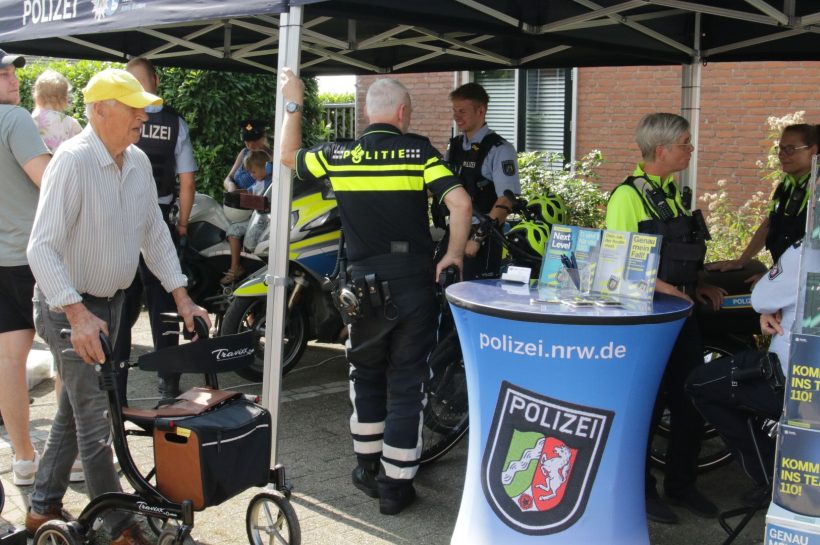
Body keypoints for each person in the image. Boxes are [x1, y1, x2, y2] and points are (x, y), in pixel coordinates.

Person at [25, 68, 210, 543]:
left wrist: (182, 296)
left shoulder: (138, 162)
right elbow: (40, 248)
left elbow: (154, 233)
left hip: (110, 307)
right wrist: (77, 315)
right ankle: (120, 527)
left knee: (75, 408)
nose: (143, 118)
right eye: (133, 109)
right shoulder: (72, 161)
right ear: (99, 111)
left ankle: (42, 506)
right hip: (68, 310)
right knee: (96, 419)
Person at [280, 68, 472, 515]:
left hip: (361, 287)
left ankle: (366, 468)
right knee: (407, 383)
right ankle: (395, 487)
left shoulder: (338, 154)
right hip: (413, 285)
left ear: (368, 113)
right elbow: (460, 203)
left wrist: (294, 102)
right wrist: (453, 255)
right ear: (402, 112)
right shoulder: (418, 153)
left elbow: (288, 156)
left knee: (365, 374)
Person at [606, 112, 726, 524]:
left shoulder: (671, 192)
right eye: (685, 142)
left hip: (682, 312)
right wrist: (664, 288)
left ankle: (682, 485)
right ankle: (640, 492)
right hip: (649, 319)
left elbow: (683, 250)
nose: (691, 149)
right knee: (648, 406)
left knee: (691, 399)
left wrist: (698, 283)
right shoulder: (627, 197)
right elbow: (617, 261)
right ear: (661, 150)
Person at [687, 238, 811, 504]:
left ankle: (770, 478)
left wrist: (770, 306)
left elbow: (761, 298)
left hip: (793, 381)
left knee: (700, 385)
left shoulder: (808, 250)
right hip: (804, 384)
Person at [116, 57, 199, 401]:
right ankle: (169, 384)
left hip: (120, 220)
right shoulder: (175, 123)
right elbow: (187, 181)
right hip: (160, 218)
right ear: (157, 81)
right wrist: (182, 225)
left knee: (120, 305)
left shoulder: (119, 118)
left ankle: (116, 386)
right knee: (165, 302)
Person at [0, 49, 51, 487]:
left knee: (9, 361)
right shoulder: (14, 119)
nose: (13, 79)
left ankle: (23, 459)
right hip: (32, 256)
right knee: (71, 357)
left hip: (2, 258)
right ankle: (75, 456)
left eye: (13, 71)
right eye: (2, 74)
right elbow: (48, 180)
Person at [709, 124, 818, 274]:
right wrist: (741, 261)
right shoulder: (788, 183)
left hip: (804, 278)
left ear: (812, 151)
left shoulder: (817, 187)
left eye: (790, 149)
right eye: (780, 148)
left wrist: (774, 278)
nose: (782, 155)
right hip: (783, 272)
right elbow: (771, 223)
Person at [442, 82, 520, 279]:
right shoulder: (455, 146)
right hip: (455, 231)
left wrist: (477, 239)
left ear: (481, 111)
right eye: (454, 110)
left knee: (475, 292)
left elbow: (507, 199)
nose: (456, 116)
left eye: (462, 111)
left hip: (483, 238)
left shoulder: (500, 150)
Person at [221, 148, 271, 284]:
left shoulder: (270, 183)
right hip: (255, 218)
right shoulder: (258, 182)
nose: (251, 175)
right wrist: (233, 193)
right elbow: (248, 192)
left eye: (253, 172)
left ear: (266, 168)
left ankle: (235, 268)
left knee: (233, 232)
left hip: (263, 221)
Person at [31, 69, 82, 153]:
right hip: (65, 161)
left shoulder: (32, 119)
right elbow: (83, 146)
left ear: (37, 97)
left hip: (39, 160)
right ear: (65, 99)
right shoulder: (71, 123)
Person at [223, 118, 272, 193]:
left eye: (254, 141)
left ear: (263, 137)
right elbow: (228, 178)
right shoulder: (244, 152)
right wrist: (231, 186)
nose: (251, 145)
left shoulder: (272, 158)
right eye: (247, 141)